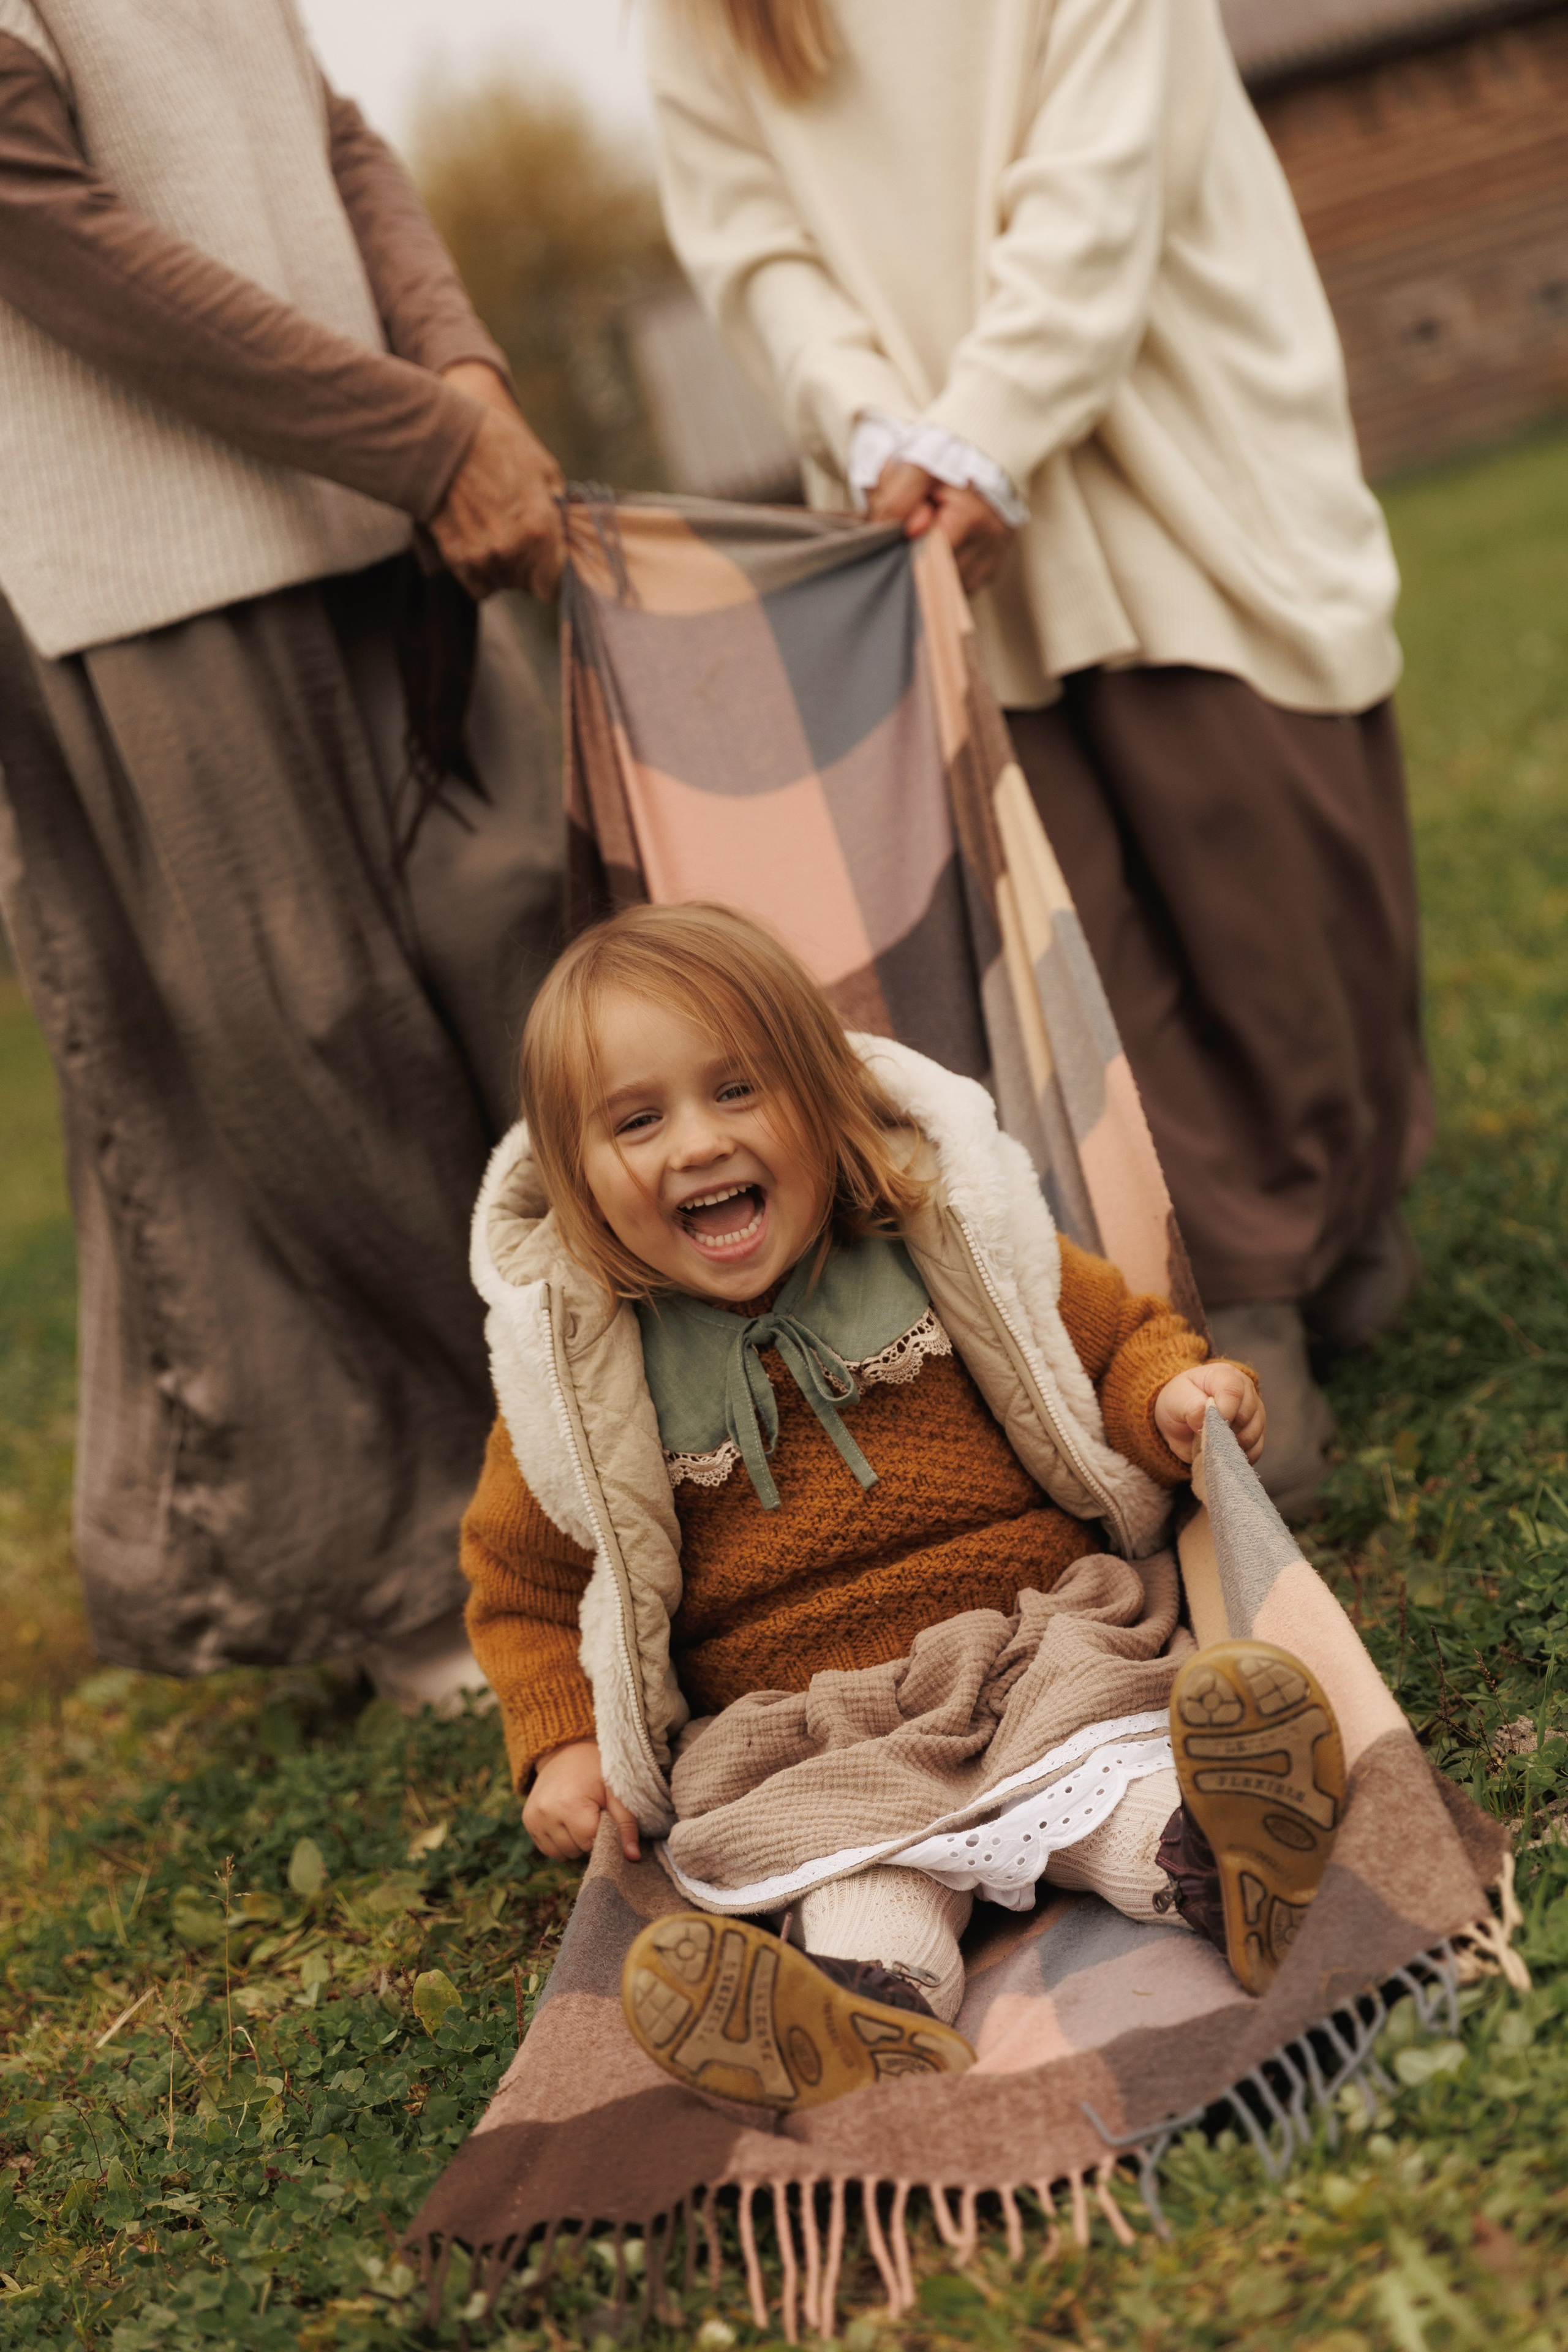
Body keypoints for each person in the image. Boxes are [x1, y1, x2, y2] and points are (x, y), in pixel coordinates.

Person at [641, 0, 1431, 1515]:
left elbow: (1103, 166)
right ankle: (1228, 1286)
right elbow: (751, 247)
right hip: (918, 506)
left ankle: (1344, 1172)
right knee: (1078, 924)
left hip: (1165, 416)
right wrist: (880, 429)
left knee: (1271, 858)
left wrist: (991, 422)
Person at [460, 904, 1348, 2108]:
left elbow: (1099, 1342)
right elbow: (520, 1579)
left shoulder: (935, 1245)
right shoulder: (583, 1377)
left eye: (736, 1092)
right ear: (576, 1184)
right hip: (804, 1726)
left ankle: (1221, 1869)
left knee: (1109, 1778)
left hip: (1028, 1633)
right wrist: (560, 1743)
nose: (692, 1146)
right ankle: (864, 2019)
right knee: (860, 1874)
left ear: (824, 1104)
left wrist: (1173, 1398)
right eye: (635, 1120)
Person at [0, 0, 567, 1703]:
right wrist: (424, 433)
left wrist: (460, 377)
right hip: (152, 569)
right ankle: (429, 1557)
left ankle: (636, 1442)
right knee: (315, 1055)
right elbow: (46, 226)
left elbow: (334, 135)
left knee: (535, 930)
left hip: (374, 496)